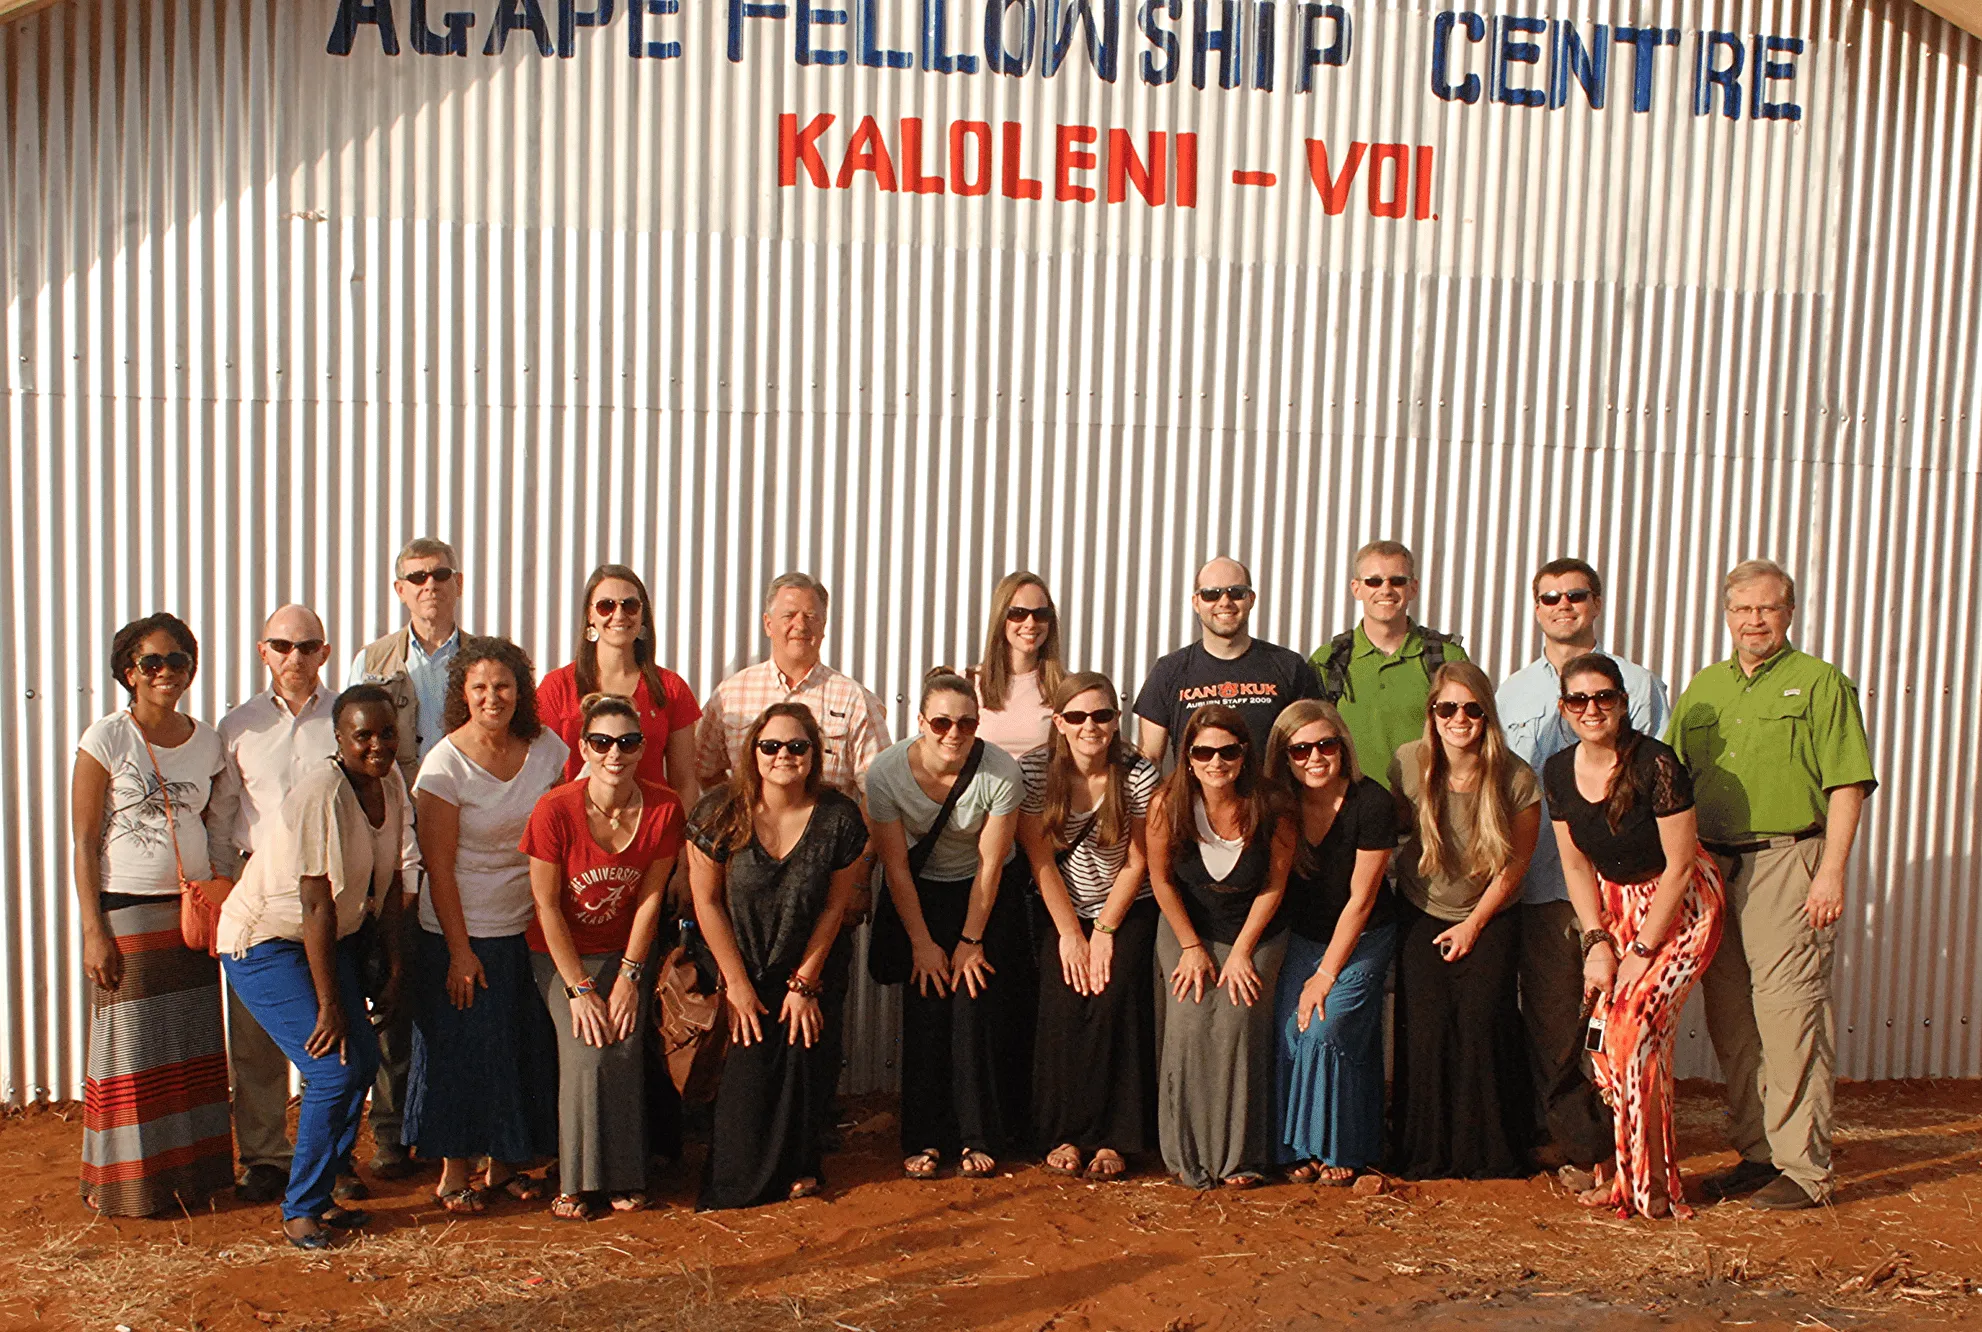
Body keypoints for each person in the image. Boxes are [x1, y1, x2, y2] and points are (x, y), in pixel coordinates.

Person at [1670, 559, 1876, 1211]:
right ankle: (1758, 1156)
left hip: (1790, 865)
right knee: (1734, 1021)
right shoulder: (1704, 691)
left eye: (1768, 607)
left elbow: (1847, 784)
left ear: (1789, 612)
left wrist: (1832, 871)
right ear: (1726, 615)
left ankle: (1804, 1170)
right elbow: (1670, 783)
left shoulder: (1819, 685)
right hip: (1714, 871)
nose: (1754, 620)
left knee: (1790, 1017)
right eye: (1743, 609)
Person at [216, 685, 413, 1248]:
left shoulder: (392, 782)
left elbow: (394, 879)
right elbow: (315, 904)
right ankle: (301, 1208)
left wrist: (394, 968)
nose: (377, 745)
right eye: (363, 736)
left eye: (386, 733)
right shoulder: (320, 793)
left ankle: (322, 1194)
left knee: (361, 1062)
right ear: (339, 739)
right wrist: (330, 1005)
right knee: (331, 1070)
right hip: (266, 941)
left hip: (333, 938)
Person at [1494, 558, 1669, 1189]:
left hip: (1624, 890)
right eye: (1549, 597)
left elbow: (1658, 787)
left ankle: (1630, 1150)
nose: (1562, 606)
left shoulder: (1639, 686)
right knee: (1554, 1024)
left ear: (1596, 602)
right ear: (1535, 607)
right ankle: (1578, 1146)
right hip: (1543, 884)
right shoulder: (1509, 693)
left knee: (1623, 1023)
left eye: (1575, 595)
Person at [71, 613, 241, 1217]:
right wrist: (94, 930)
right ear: (129, 673)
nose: (167, 672)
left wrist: (225, 894)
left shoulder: (207, 740)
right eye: (153, 662)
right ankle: (127, 1187)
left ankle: (192, 1179)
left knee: (192, 1048)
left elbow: (218, 827)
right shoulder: (106, 739)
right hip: (127, 913)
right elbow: (85, 839)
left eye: (179, 661)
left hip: (190, 914)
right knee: (132, 1050)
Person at [1546, 655, 1724, 1219]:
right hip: (1612, 907)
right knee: (1606, 1042)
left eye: (1605, 698)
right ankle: (1622, 1171)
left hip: (1680, 906)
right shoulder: (1556, 771)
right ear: (1563, 709)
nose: (1592, 710)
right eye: (1579, 700)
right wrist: (1597, 942)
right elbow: (1576, 868)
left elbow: (1678, 866)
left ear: (1623, 703)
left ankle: (1647, 1187)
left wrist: (1642, 951)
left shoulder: (1656, 763)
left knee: (1634, 1027)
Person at [687, 703, 870, 1209]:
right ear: (753, 752)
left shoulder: (839, 818)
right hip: (740, 966)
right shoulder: (719, 811)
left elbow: (837, 904)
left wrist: (806, 981)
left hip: (807, 967)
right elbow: (706, 901)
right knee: (745, 1097)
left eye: (796, 746)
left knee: (804, 1067)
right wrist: (737, 984)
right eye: (771, 746)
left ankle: (801, 1165)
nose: (783, 756)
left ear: (814, 754)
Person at [406, 636, 565, 1213]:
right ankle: (454, 1172)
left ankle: (504, 1164)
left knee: (519, 1047)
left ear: (520, 691)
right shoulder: (444, 764)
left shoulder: (549, 749)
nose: (492, 697)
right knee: (462, 1051)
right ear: (462, 695)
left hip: (527, 925)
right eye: (479, 687)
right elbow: (438, 869)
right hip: (461, 929)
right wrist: (459, 952)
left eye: (503, 686)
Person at [523, 693, 683, 1220]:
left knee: (622, 1043)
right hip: (560, 953)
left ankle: (624, 1176)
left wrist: (630, 978)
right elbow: (546, 905)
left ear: (641, 748)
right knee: (588, 1044)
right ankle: (576, 1182)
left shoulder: (663, 807)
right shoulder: (555, 809)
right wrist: (579, 988)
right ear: (583, 748)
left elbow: (651, 898)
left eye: (627, 742)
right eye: (602, 742)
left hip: (625, 951)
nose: (615, 753)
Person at [868, 670, 1025, 1180]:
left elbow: (990, 861)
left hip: (981, 894)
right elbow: (893, 865)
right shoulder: (886, 773)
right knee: (925, 1007)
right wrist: (922, 943)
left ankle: (977, 1136)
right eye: (940, 722)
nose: (953, 734)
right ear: (920, 723)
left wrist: (970, 940)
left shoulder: (1000, 772)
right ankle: (925, 1137)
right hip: (920, 891)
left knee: (973, 1008)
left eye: (966, 723)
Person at [1387, 663, 1541, 1180]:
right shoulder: (1408, 764)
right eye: (1447, 708)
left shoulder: (1516, 776)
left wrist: (1474, 925)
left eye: (1472, 708)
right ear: (1432, 713)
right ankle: (1425, 1154)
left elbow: (1516, 864)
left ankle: (1488, 1155)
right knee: (1426, 1031)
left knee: (1480, 1026)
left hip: (1490, 913)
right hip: (1420, 909)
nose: (1460, 718)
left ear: (1487, 714)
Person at [347, 535, 467, 1179]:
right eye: (416, 576)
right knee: (393, 978)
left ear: (457, 582)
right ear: (399, 589)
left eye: (440, 574)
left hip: (464, 840)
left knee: (455, 983)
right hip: (393, 836)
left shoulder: (484, 660)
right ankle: (391, 1130)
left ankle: (452, 1122)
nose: (430, 585)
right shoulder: (373, 661)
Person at [1015, 673, 1161, 1182]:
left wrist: (1104, 930)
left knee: (1113, 1003)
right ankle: (1064, 1132)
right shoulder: (1035, 770)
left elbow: (1138, 860)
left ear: (1116, 719)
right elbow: (1039, 858)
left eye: (1101, 715)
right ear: (1059, 723)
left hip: (1126, 906)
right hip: (1062, 908)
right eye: (1076, 716)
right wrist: (1071, 935)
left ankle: (1113, 1137)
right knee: (1063, 1006)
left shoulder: (1139, 772)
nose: (1090, 726)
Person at [217, 605, 340, 1204]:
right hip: (258, 894)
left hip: (330, 894)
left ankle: (335, 1159)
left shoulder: (345, 720)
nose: (297, 657)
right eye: (283, 645)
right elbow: (222, 815)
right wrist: (220, 886)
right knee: (256, 1034)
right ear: (263, 650)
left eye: (308, 646)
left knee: (332, 1023)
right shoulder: (237, 726)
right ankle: (265, 1155)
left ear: (325, 651)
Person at [1147, 704, 1295, 1190]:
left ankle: (1240, 1158)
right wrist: (1190, 945)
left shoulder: (1272, 804)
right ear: (1187, 758)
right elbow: (1161, 880)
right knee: (1189, 1019)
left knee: (1237, 1018)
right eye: (1204, 752)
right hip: (1187, 924)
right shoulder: (1167, 801)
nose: (1216, 762)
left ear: (1244, 754)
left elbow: (1274, 886)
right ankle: (1185, 1155)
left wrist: (1241, 951)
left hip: (1254, 928)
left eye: (1227, 751)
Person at [1264, 700, 1399, 1186]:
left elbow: (1360, 903)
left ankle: (1340, 1146)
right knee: (1289, 1029)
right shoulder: (1281, 806)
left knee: (1326, 1026)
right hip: (1304, 935)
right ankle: (1296, 1148)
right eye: (1300, 750)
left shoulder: (1372, 802)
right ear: (1285, 756)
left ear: (1343, 747)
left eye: (1326, 745)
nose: (1315, 757)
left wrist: (1323, 977)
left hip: (1365, 934)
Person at [695, 572, 891, 799]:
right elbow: (702, 769)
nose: (800, 625)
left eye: (810, 616)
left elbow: (879, 790)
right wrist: (738, 809)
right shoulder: (730, 695)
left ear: (823, 626)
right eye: (789, 615)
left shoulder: (853, 700)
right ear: (768, 624)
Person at [537, 563, 702, 807]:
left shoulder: (670, 688)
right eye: (606, 606)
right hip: (576, 827)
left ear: (642, 614)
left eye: (630, 605)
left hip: (651, 831)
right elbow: (540, 777)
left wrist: (680, 840)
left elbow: (685, 783)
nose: (619, 615)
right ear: (590, 616)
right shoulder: (556, 687)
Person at [1313, 540, 1468, 790]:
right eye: (1374, 581)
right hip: (1352, 813)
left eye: (1397, 581)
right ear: (1356, 588)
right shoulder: (1327, 661)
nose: (1386, 590)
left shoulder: (1448, 658)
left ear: (1413, 588)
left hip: (1429, 811)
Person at [1133, 557, 1323, 762]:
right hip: (1196, 795)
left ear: (1251, 599)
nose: (1224, 602)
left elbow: (1313, 745)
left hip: (1270, 795)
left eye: (1236, 593)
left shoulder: (1289, 666)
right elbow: (1150, 758)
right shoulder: (1168, 672)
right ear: (1196, 603)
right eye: (1211, 594)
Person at [973, 572, 1067, 761]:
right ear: (1001, 617)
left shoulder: (1067, 687)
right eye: (1018, 614)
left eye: (1041, 614)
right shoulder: (969, 683)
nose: (1030, 623)